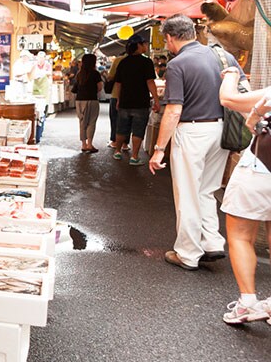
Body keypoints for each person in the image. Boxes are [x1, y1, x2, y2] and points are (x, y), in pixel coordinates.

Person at [148, 14, 242, 270]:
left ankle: (187, 253)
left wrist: (159, 149)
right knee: (207, 189)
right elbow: (240, 89)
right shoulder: (223, 56)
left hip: (192, 132)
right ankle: (211, 242)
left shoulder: (178, 64)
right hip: (221, 130)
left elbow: (173, 110)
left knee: (188, 193)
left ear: (170, 37)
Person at [218, 68, 270, 323]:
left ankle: (248, 302)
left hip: (261, 166)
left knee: (240, 234)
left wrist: (231, 76)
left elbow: (228, 99)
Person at [112, 34, 160, 166]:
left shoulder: (123, 62)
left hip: (125, 101)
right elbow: (150, 82)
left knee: (121, 128)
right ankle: (134, 157)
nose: (146, 46)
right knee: (138, 130)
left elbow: (118, 83)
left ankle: (117, 151)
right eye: (145, 43)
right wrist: (156, 99)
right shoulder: (146, 62)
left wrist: (118, 99)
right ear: (139, 45)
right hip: (140, 102)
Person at [74, 53, 102, 153]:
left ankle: (83, 145)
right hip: (91, 100)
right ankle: (89, 144)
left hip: (79, 100)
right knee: (91, 122)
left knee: (82, 122)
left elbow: (75, 88)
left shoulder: (79, 74)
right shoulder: (95, 73)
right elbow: (100, 87)